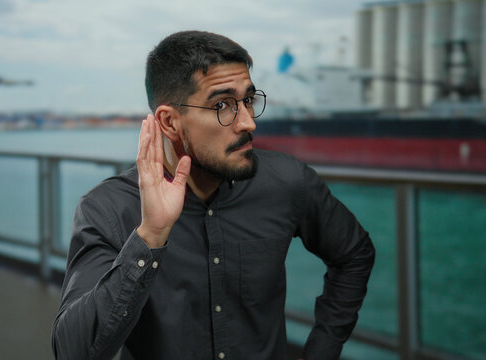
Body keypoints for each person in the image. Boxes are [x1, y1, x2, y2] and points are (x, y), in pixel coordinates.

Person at [52, 31, 375, 360]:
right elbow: (71, 352)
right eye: (222, 105)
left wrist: (324, 349)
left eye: (248, 100)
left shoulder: (287, 181)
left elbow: (354, 254)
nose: (248, 122)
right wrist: (150, 237)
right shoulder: (109, 208)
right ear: (169, 121)